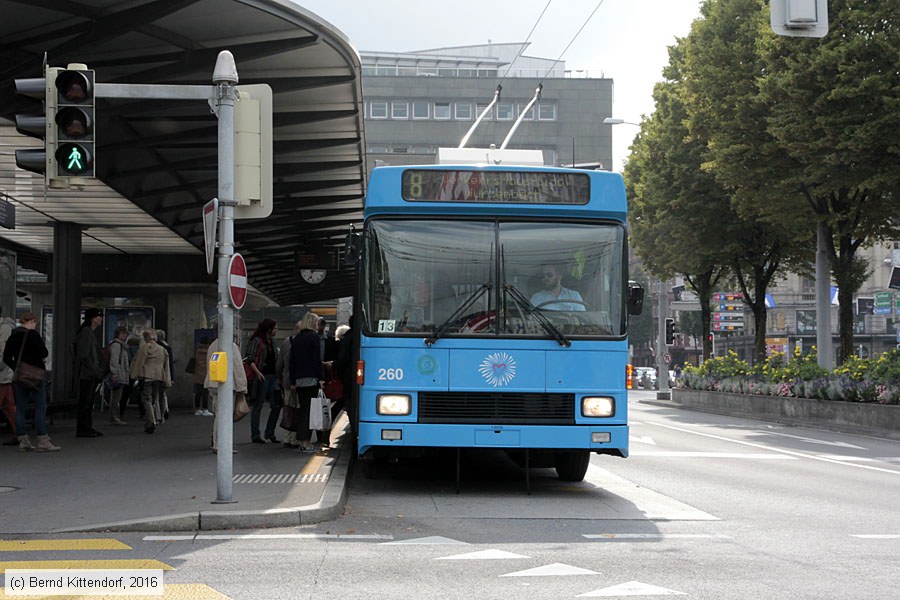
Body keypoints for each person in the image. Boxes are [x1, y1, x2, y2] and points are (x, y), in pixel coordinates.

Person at [2, 311, 59, 452]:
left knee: (20, 409)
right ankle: (42, 440)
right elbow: (44, 352)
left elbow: (6, 358)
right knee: (40, 407)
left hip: (20, 377)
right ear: (32, 321)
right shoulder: (33, 335)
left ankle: (23, 440)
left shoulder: (13, 336)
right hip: (36, 377)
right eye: (35, 322)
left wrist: (17, 368)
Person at [205, 333, 248, 454]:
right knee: (224, 416)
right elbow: (238, 367)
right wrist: (242, 387)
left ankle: (217, 441)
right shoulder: (231, 346)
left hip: (212, 383)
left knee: (219, 414)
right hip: (226, 385)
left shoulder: (213, 345)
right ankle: (221, 444)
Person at [288, 312, 324, 453]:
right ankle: (306, 442)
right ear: (313, 322)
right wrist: (321, 378)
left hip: (299, 380)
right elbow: (316, 360)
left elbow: (292, 362)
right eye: (316, 322)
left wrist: (292, 381)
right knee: (310, 411)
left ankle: (302, 441)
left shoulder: (296, 339)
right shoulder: (314, 338)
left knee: (303, 410)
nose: (317, 325)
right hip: (311, 379)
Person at [245, 318, 281, 444]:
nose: (277, 330)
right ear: (269, 329)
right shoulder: (257, 341)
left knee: (277, 404)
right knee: (258, 404)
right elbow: (249, 359)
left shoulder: (273, 342)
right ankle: (256, 435)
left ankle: (270, 432)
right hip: (261, 377)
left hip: (273, 377)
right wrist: (258, 373)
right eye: (275, 328)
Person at [129, 329, 171, 434]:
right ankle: (158, 418)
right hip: (159, 376)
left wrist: (134, 374)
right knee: (155, 398)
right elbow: (166, 365)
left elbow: (139, 362)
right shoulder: (162, 349)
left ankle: (151, 421)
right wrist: (168, 379)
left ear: (145, 337)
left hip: (147, 376)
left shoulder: (145, 347)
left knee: (147, 399)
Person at [73, 307, 105, 438]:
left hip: (89, 372)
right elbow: (84, 354)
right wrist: (95, 369)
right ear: (93, 318)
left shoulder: (89, 332)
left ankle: (87, 427)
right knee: (86, 402)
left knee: (88, 402)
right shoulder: (86, 332)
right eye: (99, 316)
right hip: (87, 373)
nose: (101, 318)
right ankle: (83, 428)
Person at [276, 320, 303, 448]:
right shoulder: (303, 342)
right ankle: (294, 438)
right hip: (300, 382)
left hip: (287, 381)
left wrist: (279, 379)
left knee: (288, 409)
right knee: (298, 409)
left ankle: (287, 437)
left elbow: (279, 364)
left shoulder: (286, 342)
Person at [104, 326, 130, 425]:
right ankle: (114, 417)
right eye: (122, 334)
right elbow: (114, 360)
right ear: (118, 334)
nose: (124, 335)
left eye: (125, 334)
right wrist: (115, 373)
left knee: (115, 397)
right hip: (118, 374)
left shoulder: (120, 345)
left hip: (120, 373)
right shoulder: (117, 345)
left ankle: (114, 417)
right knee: (116, 398)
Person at [0, 306, 18, 446]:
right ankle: (20, 434)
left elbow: (3, 354)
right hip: (4, 376)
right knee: (9, 407)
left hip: (2, 375)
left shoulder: (4, 328)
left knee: (9, 407)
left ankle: (20, 434)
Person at [156, 330, 174, 422]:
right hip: (166, 373)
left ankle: (159, 415)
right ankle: (166, 409)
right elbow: (170, 363)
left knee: (157, 396)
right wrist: (172, 377)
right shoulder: (167, 347)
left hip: (157, 374)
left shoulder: (155, 347)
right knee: (163, 394)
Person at [193, 336, 213, 416]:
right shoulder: (209, 351)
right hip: (206, 373)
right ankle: (205, 409)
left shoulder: (197, 350)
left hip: (198, 373)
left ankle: (197, 409)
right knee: (205, 392)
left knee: (198, 392)